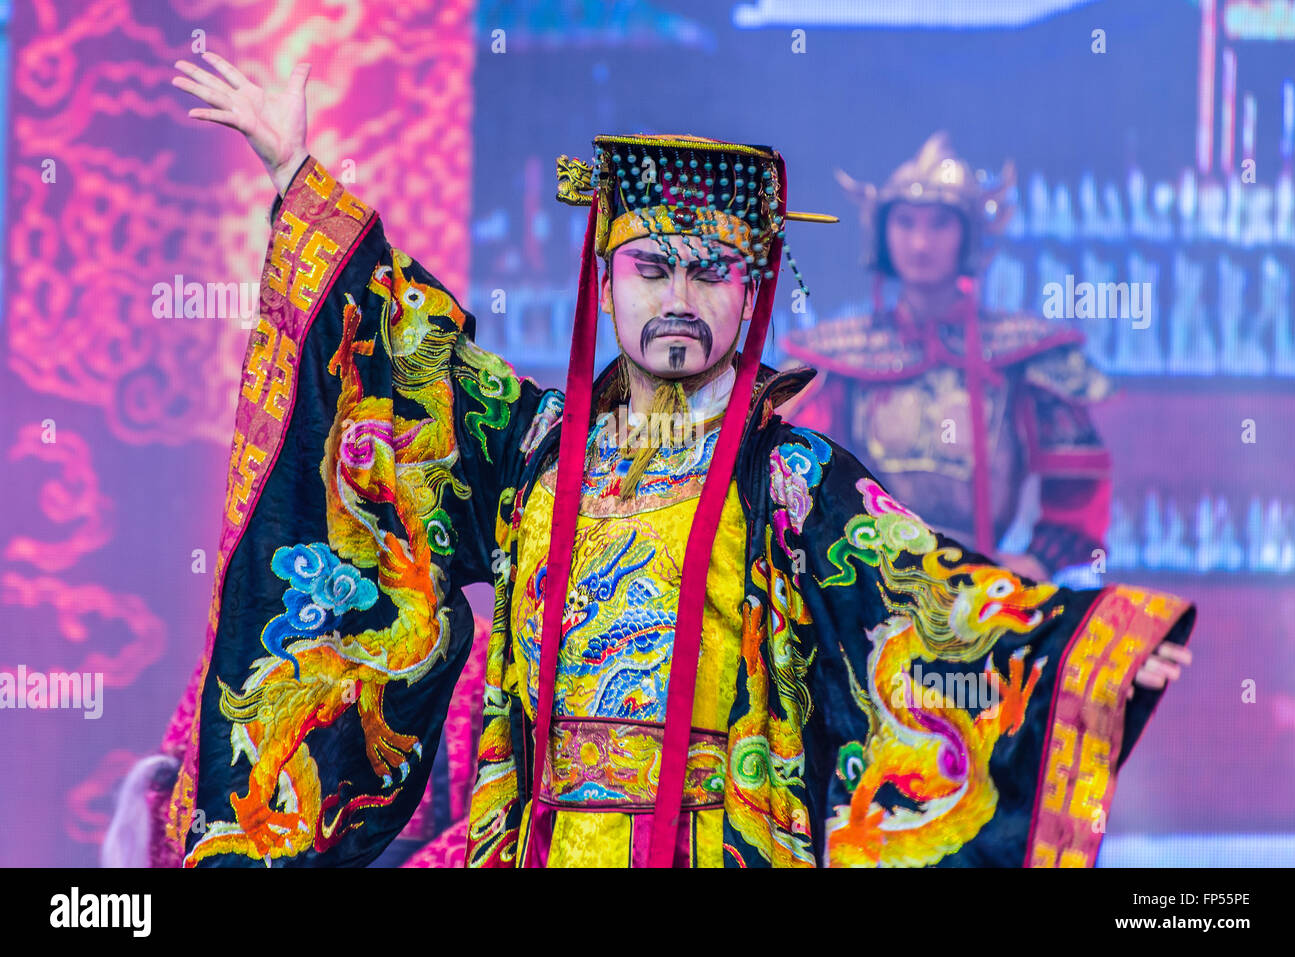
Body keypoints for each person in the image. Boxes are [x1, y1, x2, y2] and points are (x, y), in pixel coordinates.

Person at [157, 53, 1194, 868]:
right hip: (542, 837)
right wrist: (296, 174)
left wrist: (1084, 650)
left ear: (752, 295)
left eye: (713, 274)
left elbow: (928, 600)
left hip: (716, 839)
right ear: (605, 280)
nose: (679, 300)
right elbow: (403, 366)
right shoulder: (532, 452)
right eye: (651, 268)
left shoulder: (789, 478)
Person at [782, 132, 1114, 588]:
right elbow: (794, 475)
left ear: (969, 233)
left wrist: (1037, 560)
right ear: (882, 233)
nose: (920, 243)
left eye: (939, 224)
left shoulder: (1023, 354)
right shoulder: (839, 359)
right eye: (905, 223)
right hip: (862, 590)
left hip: (982, 591)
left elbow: (1078, 486)